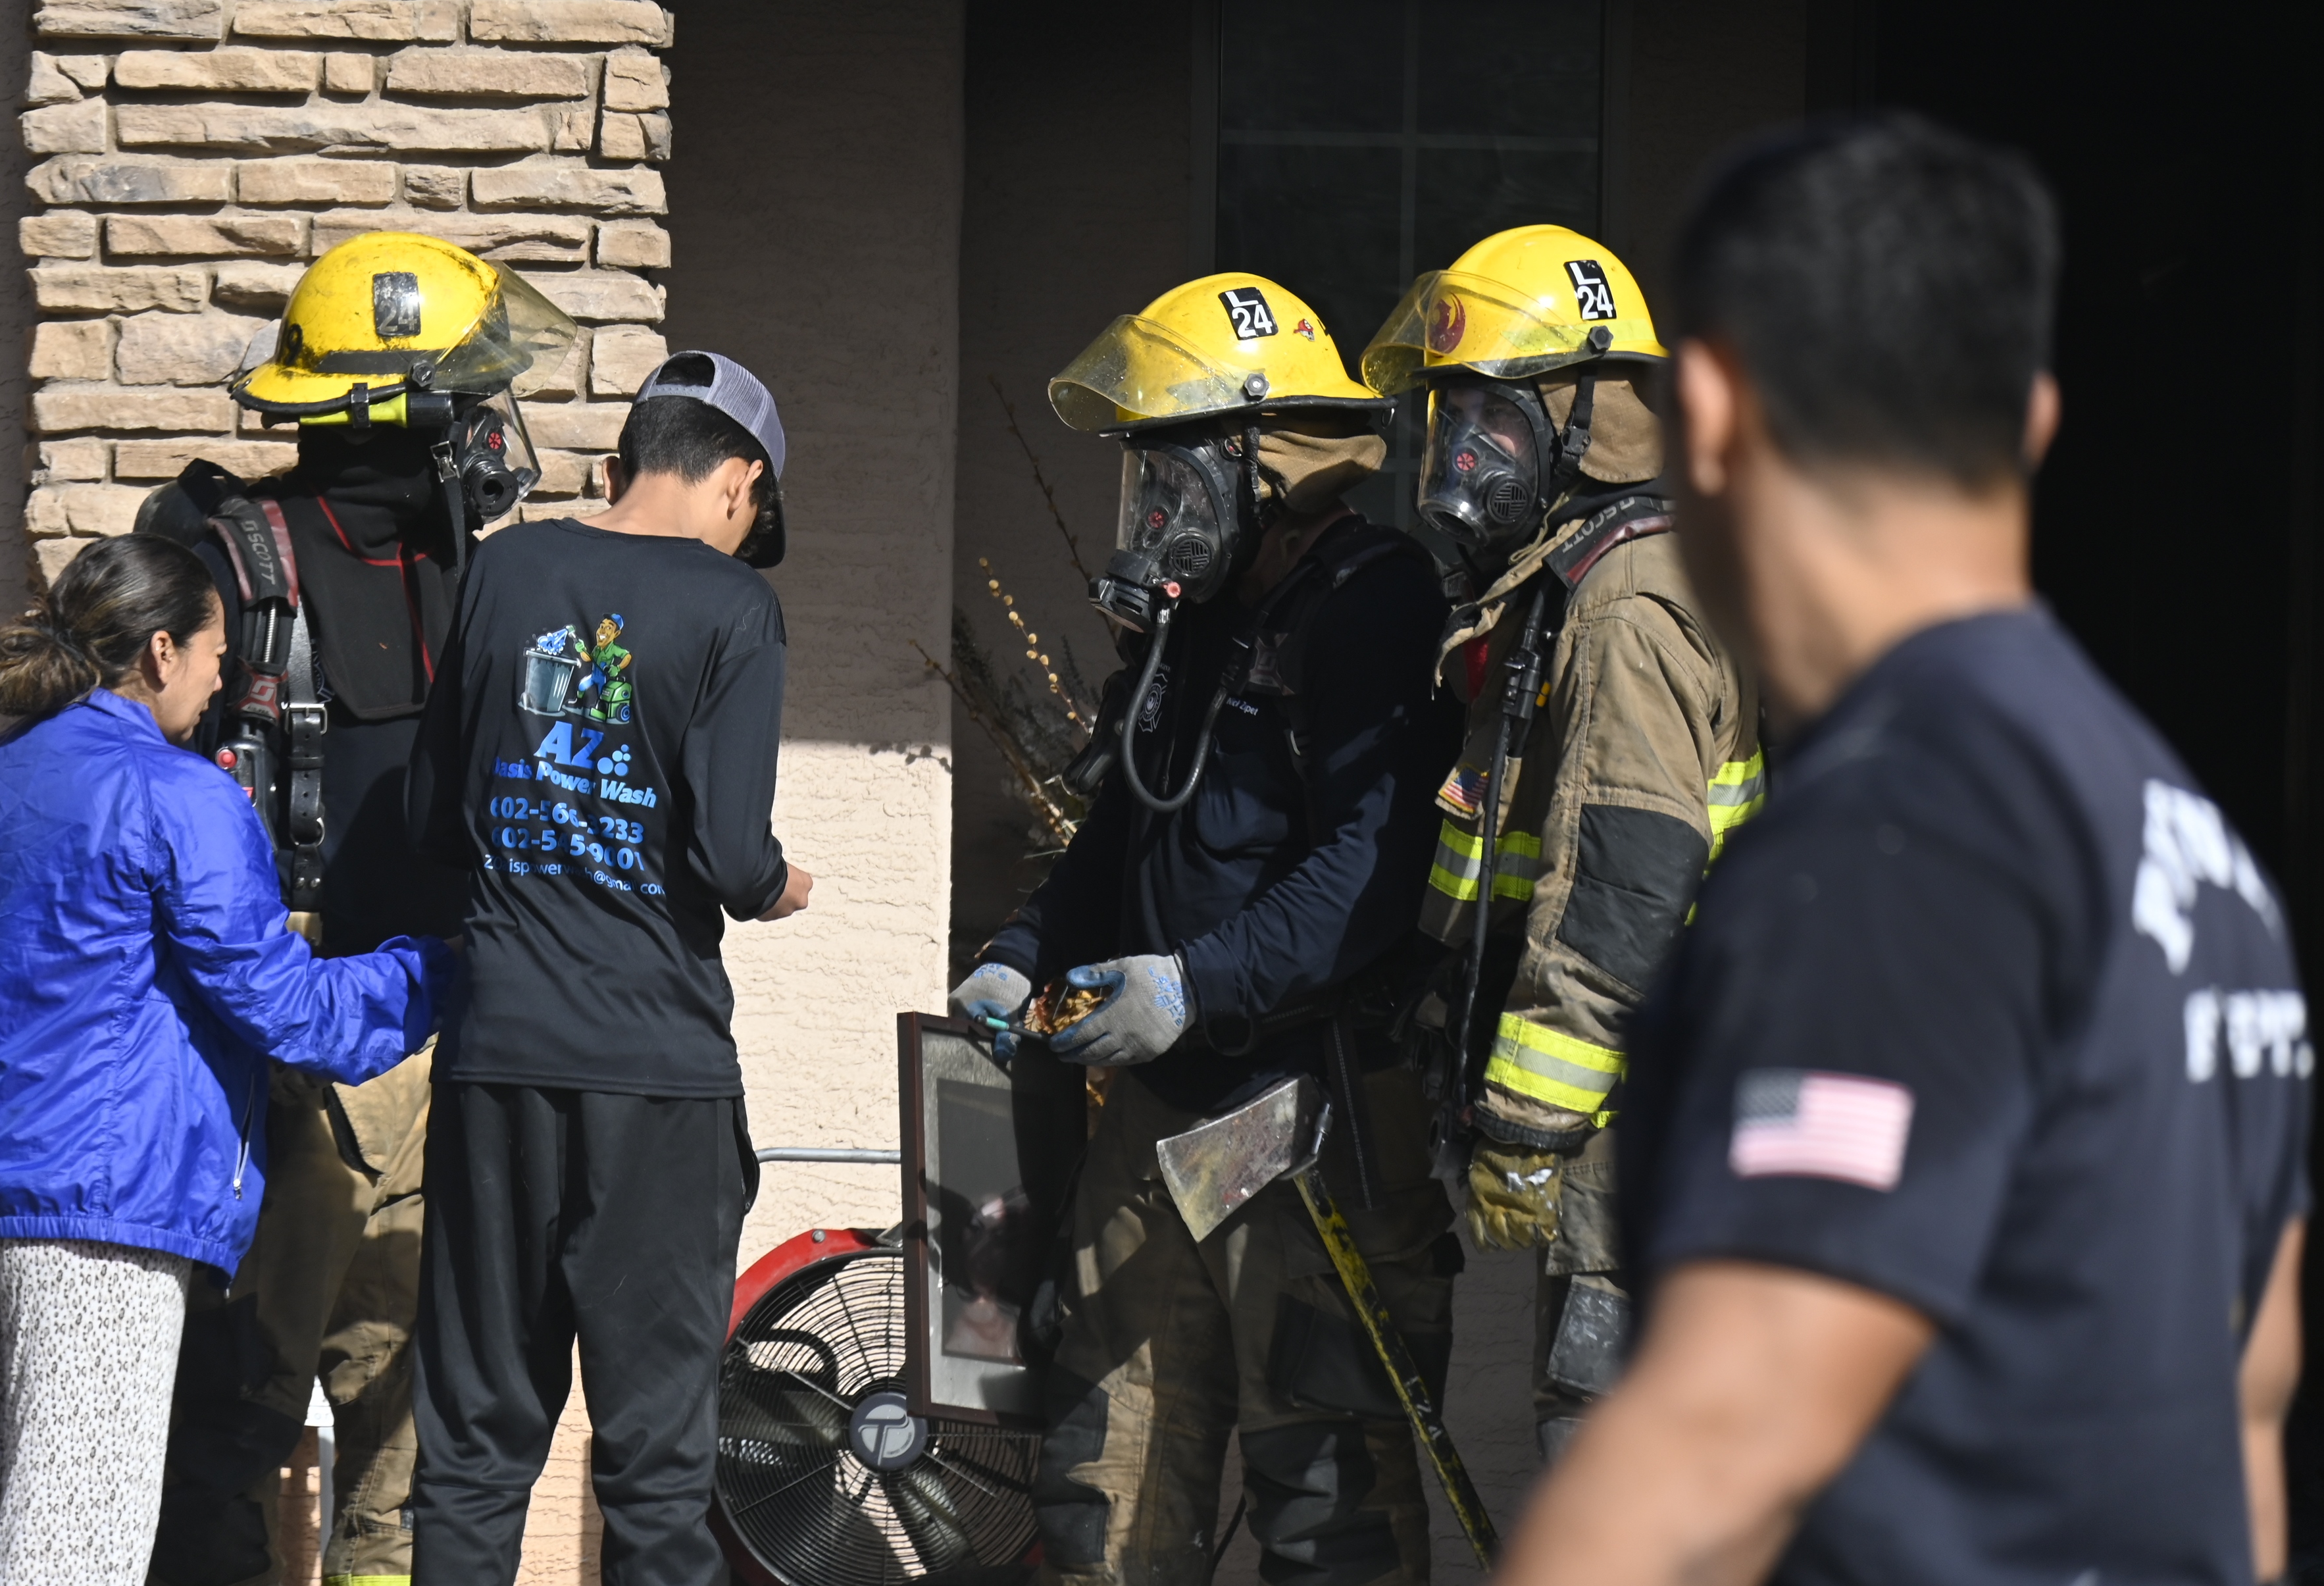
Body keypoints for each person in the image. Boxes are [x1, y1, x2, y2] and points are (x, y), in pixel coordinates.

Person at [1505, 115, 2309, 1585]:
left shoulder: (1897, 845)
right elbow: (2248, 1409)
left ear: (1711, 415)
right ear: (2034, 422)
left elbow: (1724, 1440)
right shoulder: (2201, 857)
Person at [953, 274, 1462, 1586]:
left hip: (1304, 1109)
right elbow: (1129, 826)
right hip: (1159, 1109)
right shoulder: (1203, 616)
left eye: (1172, 475)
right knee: (1104, 1467)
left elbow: (1369, 868)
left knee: (1324, 1498)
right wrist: (1022, 950)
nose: (1153, 510)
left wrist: (1194, 983)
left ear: (1260, 463)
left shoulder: (1375, 603)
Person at [136, 231, 575, 1586]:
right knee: (230, 1417)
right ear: (404, 414)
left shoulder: (492, 578)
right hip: (277, 1051)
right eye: (475, 399)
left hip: (452, 1042)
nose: (494, 431)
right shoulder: (221, 566)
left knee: (418, 1428)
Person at [0, 535, 449, 1584]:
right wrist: (445, 971)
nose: (222, 682)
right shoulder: (180, 794)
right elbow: (286, 1007)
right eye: (215, 654)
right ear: (161, 651)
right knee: (74, 1542)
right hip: (97, 1214)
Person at [404, 349, 813, 1583]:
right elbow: (731, 855)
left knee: (472, 1444)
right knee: (655, 1463)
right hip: (656, 1075)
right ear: (738, 482)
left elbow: (433, 813)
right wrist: (779, 885)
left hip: (498, 1055)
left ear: (629, 456)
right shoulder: (734, 608)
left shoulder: (504, 568)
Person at [1356, 227, 1763, 1457]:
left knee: (1610, 1460)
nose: (1457, 459)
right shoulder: (1574, 577)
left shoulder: (1625, 605)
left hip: (1648, 1112)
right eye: (1450, 421)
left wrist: (1529, 1126)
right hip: (1638, 1098)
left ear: (1585, 416)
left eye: (1492, 420)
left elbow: (1623, 891)